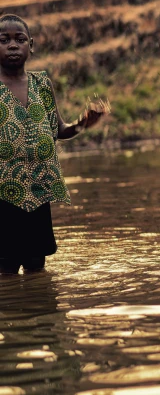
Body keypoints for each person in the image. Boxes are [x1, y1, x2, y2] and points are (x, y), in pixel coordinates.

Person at [0, 14, 105, 275]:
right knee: (6, 266)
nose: (13, 45)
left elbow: (58, 129)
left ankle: (41, 311)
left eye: (20, 39)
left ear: (31, 45)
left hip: (38, 190)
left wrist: (82, 123)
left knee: (37, 263)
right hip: (2, 194)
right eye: (4, 40)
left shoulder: (41, 84)